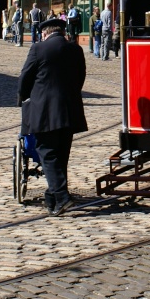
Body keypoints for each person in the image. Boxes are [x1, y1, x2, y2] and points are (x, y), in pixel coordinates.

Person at [18, 17, 88, 216]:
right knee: (61, 155)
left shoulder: (38, 49)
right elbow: (80, 77)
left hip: (45, 110)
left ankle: (62, 197)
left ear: (45, 33)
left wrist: (23, 96)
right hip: (69, 110)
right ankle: (53, 199)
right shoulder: (76, 49)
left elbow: (25, 77)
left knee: (46, 152)